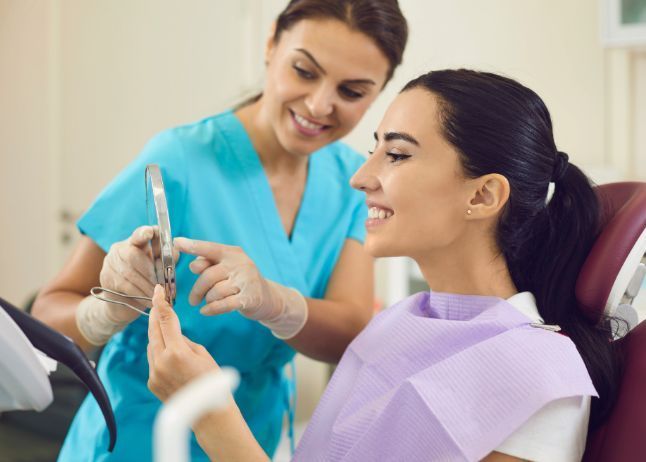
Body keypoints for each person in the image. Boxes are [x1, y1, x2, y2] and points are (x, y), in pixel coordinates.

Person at [147, 69, 622, 461]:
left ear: (482, 194)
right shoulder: (400, 324)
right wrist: (273, 304)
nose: (361, 177)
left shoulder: (537, 376)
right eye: (375, 148)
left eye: (396, 155)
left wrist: (210, 414)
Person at [31, 1, 408, 460]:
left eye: (351, 91)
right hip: (138, 437)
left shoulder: (354, 181)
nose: (318, 105)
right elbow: (47, 316)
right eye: (305, 72)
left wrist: (276, 303)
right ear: (271, 44)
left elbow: (351, 332)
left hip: (249, 438)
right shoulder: (179, 159)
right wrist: (104, 313)